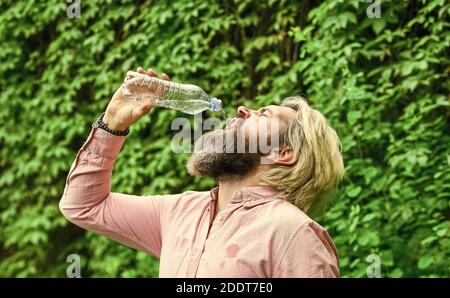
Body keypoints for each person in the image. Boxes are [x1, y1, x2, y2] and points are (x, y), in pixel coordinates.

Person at [59, 67, 344, 277]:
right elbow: (84, 205)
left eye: (264, 114)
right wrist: (112, 124)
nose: (243, 109)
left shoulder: (294, 234)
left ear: (283, 153)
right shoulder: (179, 211)